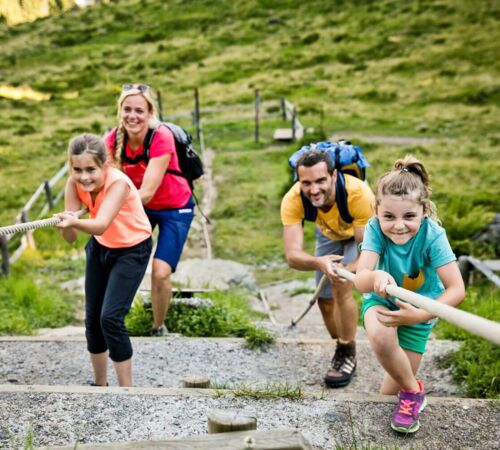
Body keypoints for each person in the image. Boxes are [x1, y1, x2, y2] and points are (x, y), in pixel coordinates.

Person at [354, 155, 465, 433]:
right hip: (383, 301)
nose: (398, 225)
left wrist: (421, 314)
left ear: (424, 211)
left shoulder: (433, 235)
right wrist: (376, 276)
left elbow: (457, 290)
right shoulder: (374, 229)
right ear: (377, 210)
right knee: (381, 336)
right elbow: (361, 280)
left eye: (409, 216)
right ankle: (415, 392)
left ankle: (408, 394)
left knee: (390, 391)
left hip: (421, 311)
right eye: (388, 216)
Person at [56, 133, 152, 387]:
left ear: (104, 165)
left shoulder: (118, 183)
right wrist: (66, 223)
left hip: (132, 250)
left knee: (110, 318)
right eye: (77, 169)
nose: (84, 176)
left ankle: (127, 390)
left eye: (90, 169)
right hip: (100, 248)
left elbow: (99, 225)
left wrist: (74, 220)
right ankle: (100, 385)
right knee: (92, 320)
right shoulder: (72, 184)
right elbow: (71, 237)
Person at [104, 83, 195, 337]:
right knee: (122, 261)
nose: (133, 116)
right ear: (120, 111)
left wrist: (110, 209)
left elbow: (146, 192)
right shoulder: (111, 140)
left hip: (174, 208)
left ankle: (158, 327)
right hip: (140, 208)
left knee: (160, 271)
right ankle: (112, 320)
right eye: (127, 109)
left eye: (139, 111)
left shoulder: (161, 137)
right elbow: (103, 183)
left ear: (150, 113)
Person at [280, 149, 375, 387]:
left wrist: (347, 269)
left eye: (321, 180)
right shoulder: (293, 199)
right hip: (328, 234)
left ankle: (346, 352)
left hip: (358, 236)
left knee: (340, 282)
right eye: (307, 183)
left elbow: (367, 253)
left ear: (333, 176)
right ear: (298, 181)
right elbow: (292, 256)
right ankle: (341, 340)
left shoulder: (358, 194)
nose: (314, 190)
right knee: (324, 301)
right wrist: (319, 263)